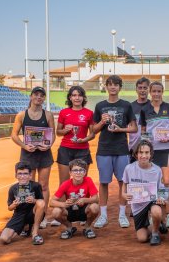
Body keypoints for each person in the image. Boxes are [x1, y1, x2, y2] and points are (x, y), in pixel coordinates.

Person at [92, 75, 137, 229]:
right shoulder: (99, 106)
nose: (113, 87)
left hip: (121, 149)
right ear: (106, 87)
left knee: (122, 182)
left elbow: (134, 128)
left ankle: (122, 215)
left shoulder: (126, 105)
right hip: (104, 149)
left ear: (120, 87)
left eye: (116, 85)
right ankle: (103, 216)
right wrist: (102, 122)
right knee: (104, 182)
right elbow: (93, 129)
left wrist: (121, 129)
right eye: (110, 84)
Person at [11, 86, 57, 228]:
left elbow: (52, 134)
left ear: (44, 98)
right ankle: (27, 216)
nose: (39, 97)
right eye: (36, 94)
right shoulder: (22, 115)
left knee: (43, 185)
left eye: (41, 95)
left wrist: (48, 145)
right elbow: (14, 135)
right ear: (31, 96)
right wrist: (25, 146)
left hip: (44, 154)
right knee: (28, 186)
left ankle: (42, 216)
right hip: (27, 155)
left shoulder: (48, 115)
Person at [139, 81, 169, 229]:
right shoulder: (145, 110)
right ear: (150, 92)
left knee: (167, 182)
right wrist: (146, 141)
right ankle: (153, 215)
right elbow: (143, 131)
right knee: (151, 183)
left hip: (167, 149)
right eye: (154, 91)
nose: (156, 94)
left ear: (162, 92)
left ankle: (168, 215)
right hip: (150, 151)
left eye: (159, 91)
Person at [122, 140, 166, 246]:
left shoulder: (157, 170)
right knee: (142, 238)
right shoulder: (129, 168)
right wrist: (124, 195)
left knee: (156, 211)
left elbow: (162, 190)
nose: (144, 156)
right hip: (138, 206)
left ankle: (155, 233)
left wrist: (161, 197)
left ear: (151, 154)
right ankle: (157, 225)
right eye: (141, 153)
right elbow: (124, 188)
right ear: (136, 154)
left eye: (146, 152)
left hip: (152, 200)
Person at [51, 159, 100, 239]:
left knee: (95, 207)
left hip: (84, 209)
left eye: (81, 170)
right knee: (56, 211)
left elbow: (96, 199)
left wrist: (85, 200)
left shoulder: (88, 180)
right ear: (70, 173)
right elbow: (52, 202)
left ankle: (87, 227)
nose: (78, 173)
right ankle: (69, 227)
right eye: (75, 170)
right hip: (69, 210)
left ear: (85, 172)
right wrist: (64, 204)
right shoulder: (66, 184)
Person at [56, 86, 95, 185]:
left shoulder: (89, 113)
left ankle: (81, 201)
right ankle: (64, 201)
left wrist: (83, 140)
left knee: (81, 182)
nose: (77, 98)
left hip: (82, 150)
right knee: (64, 183)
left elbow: (92, 134)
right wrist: (65, 130)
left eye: (80, 95)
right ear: (70, 98)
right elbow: (58, 132)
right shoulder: (64, 112)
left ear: (83, 98)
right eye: (74, 95)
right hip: (65, 149)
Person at [0, 162, 45, 245]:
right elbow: (10, 208)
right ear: (16, 175)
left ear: (30, 175)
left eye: (25, 174)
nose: (22, 176)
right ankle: (25, 226)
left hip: (32, 212)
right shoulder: (13, 189)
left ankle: (34, 233)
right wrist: (14, 204)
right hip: (19, 214)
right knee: (4, 239)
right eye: (20, 174)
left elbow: (42, 202)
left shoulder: (36, 186)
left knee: (40, 203)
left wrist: (34, 200)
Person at [129, 77, 150, 163]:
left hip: (149, 147)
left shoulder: (153, 106)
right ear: (136, 90)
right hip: (133, 148)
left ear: (149, 89)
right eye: (140, 88)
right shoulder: (130, 107)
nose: (142, 90)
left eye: (145, 88)